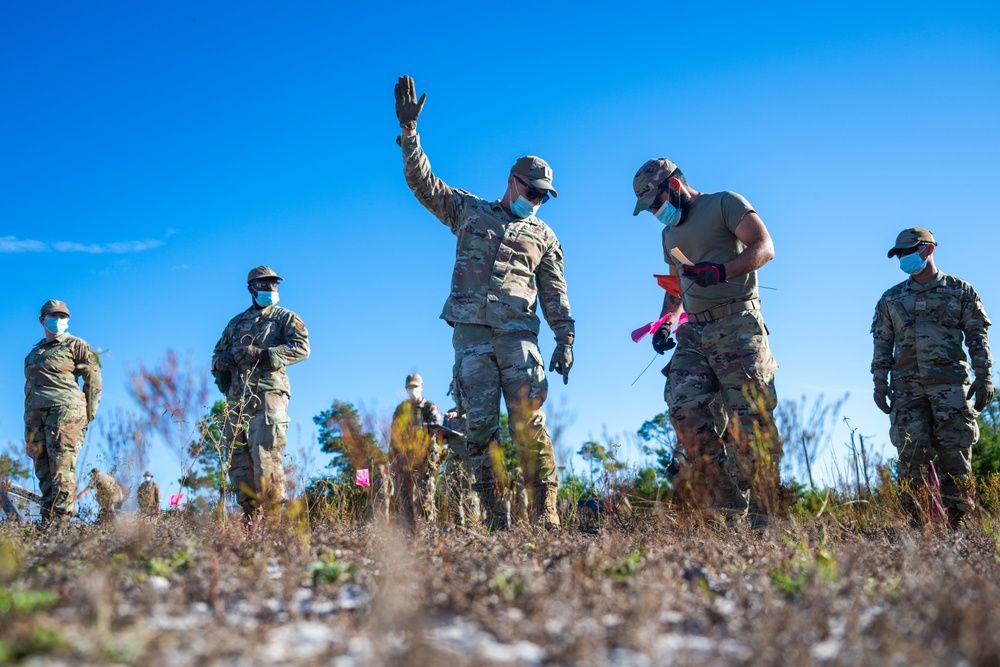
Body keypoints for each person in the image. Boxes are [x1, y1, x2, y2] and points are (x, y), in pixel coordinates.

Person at [396, 75, 574, 530]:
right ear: (512, 183)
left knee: (528, 427)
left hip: (518, 337)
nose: (537, 202)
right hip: (472, 336)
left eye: (543, 197)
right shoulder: (469, 211)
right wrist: (411, 134)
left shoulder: (545, 236)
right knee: (480, 430)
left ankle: (546, 516)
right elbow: (425, 185)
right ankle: (496, 520)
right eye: (532, 192)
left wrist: (565, 339)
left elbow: (555, 292)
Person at [632, 158, 780, 526]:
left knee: (752, 421)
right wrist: (665, 324)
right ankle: (727, 505)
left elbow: (764, 247)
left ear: (675, 186)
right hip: (694, 332)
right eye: (649, 208)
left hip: (737, 323)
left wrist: (722, 270)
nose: (655, 212)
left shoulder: (725, 203)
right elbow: (676, 288)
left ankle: (764, 517)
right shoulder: (668, 235)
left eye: (656, 203)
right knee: (684, 409)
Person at [872, 228, 993, 527]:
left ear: (928, 249)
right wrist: (879, 382)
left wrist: (984, 376)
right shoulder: (891, 299)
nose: (904, 258)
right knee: (911, 458)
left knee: (956, 458)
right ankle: (916, 530)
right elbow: (882, 343)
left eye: (909, 251)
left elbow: (977, 336)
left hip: (951, 388)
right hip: (907, 391)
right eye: (900, 254)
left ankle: (959, 527)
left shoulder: (960, 291)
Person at [211, 266, 310, 520]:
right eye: (265, 284)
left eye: (274, 284)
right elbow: (217, 354)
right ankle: (251, 519)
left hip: (268, 394)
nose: (271, 288)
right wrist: (223, 364)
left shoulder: (284, 317)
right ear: (252, 288)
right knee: (238, 461)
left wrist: (264, 354)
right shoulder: (235, 323)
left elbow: (302, 348)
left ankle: (273, 522)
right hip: (237, 398)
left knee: (266, 455)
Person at [24, 299, 102, 522]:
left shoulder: (76, 345)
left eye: (63, 317)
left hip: (65, 412)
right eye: (53, 316)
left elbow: (93, 378)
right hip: (35, 416)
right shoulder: (33, 354)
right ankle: (48, 519)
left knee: (61, 466)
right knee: (42, 468)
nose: (58, 320)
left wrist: (89, 412)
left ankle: (61, 521)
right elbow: (28, 389)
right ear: (42, 320)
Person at [389, 374, 443, 525]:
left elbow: (436, 434)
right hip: (404, 461)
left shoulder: (429, 408)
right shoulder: (401, 409)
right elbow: (394, 437)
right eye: (410, 387)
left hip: (424, 461)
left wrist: (432, 461)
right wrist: (393, 460)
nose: (413, 390)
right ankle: (408, 534)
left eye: (415, 387)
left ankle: (428, 532)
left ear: (422, 387)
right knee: (404, 498)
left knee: (425, 498)